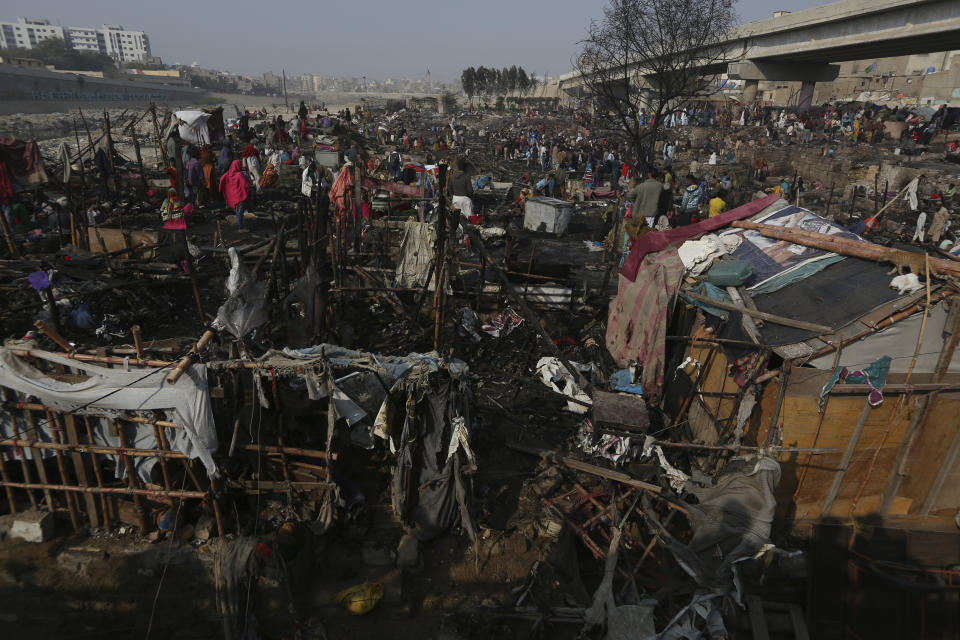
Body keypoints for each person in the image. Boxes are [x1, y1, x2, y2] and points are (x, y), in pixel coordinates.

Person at [219, 160, 250, 232]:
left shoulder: (228, 174)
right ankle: (240, 227)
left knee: (237, 210)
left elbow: (221, 180)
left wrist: (221, 190)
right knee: (240, 211)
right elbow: (245, 185)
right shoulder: (239, 175)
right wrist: (248, 191)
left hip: (233, 197)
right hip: (240, 196)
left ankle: (240, 225)